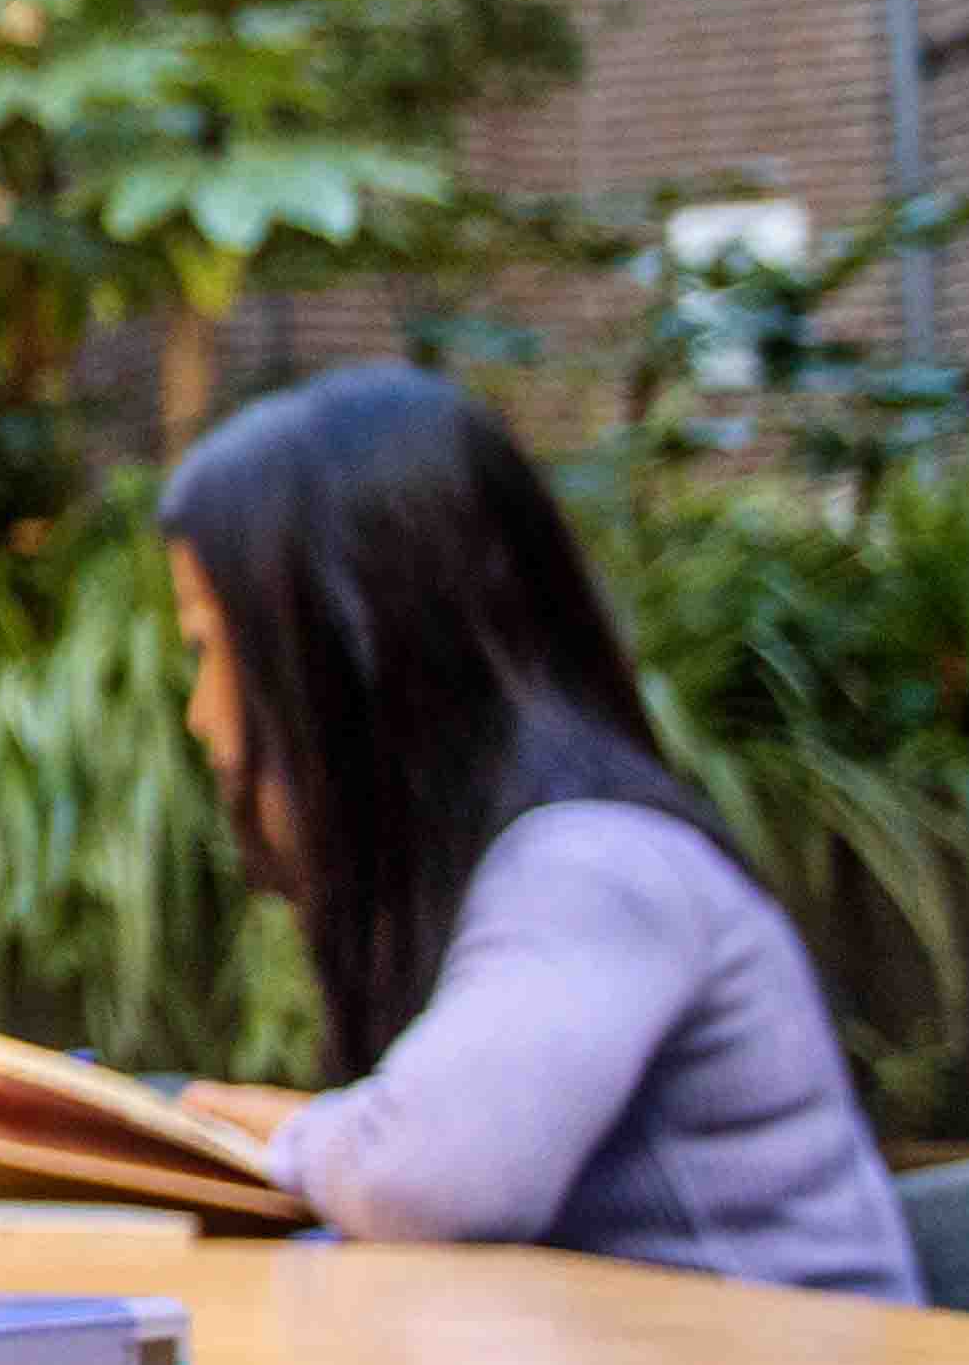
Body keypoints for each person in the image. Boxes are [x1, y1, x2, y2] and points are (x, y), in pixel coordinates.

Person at [156, 364, 920, 1300]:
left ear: (346, 656)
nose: (200, 713)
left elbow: (431, 1180)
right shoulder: (511, 866)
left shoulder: (593, 869)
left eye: (208, 650)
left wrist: (291, 1139)